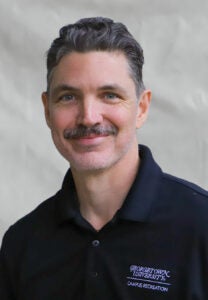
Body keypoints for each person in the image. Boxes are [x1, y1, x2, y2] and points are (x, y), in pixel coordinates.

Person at [0, 17, 207, 300]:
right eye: (68, 97)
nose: (88, 117)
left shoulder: (201, 227)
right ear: (47, 111)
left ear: (142, 108)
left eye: (109, 95)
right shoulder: (21, 243)